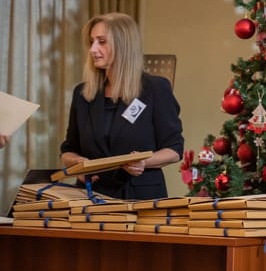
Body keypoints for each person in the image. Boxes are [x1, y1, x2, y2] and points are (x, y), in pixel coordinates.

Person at [60, 12, 183, 200]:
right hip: (92, 196)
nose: (93, 49)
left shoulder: (155, 89)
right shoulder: (82, 93)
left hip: (142, 198)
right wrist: (77, 163)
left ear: (123, 45)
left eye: (101, 41)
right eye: (92, 42)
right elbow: (68, 150)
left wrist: (144, 162)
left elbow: (174, 150)